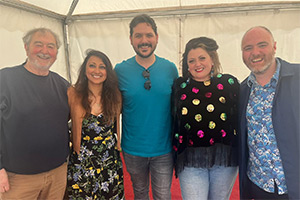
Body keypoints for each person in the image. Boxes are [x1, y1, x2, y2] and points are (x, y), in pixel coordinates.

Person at [0, 28, 70, 199]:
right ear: (26, 47)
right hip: (18, 179)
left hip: (57, 174)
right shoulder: (5, 80)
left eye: (51, 47)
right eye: (39, 45)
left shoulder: (62, 84)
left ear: (56, 52)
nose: (45, 51)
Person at [114, 14, 178, 199]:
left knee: (163, 195)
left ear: (157, 37)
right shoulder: (120, 71)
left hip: (163, 149)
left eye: (149, 35)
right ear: (131, 40)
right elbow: (112, 106)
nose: (144, 40)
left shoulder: (170, 69)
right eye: (138, 36)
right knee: (140, 194)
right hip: (133, 149)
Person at [172, 36, 239, 200]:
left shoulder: (229, 83)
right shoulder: (180, 86)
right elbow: (174, 120)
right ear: (187, 65)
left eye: (202, 58)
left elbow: (240, 116)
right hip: (190, 161)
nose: (197, 64)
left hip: (224, 159)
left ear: (212, 59)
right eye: (191, 60)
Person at [239, 26, 300, 199]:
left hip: (294, 186)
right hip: (259, 187)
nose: (255, 52)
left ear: (274, 46)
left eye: (262, 45)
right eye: (248, 48)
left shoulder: (298, 78)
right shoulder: (243, 90)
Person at [67, 49, 124, 199]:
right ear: (85, 70)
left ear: (107, 72)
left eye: (102, 67)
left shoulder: (116, 96)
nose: (97, 71)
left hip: (109, 162)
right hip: (82, 162)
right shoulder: (73, 94)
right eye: (92, 65)